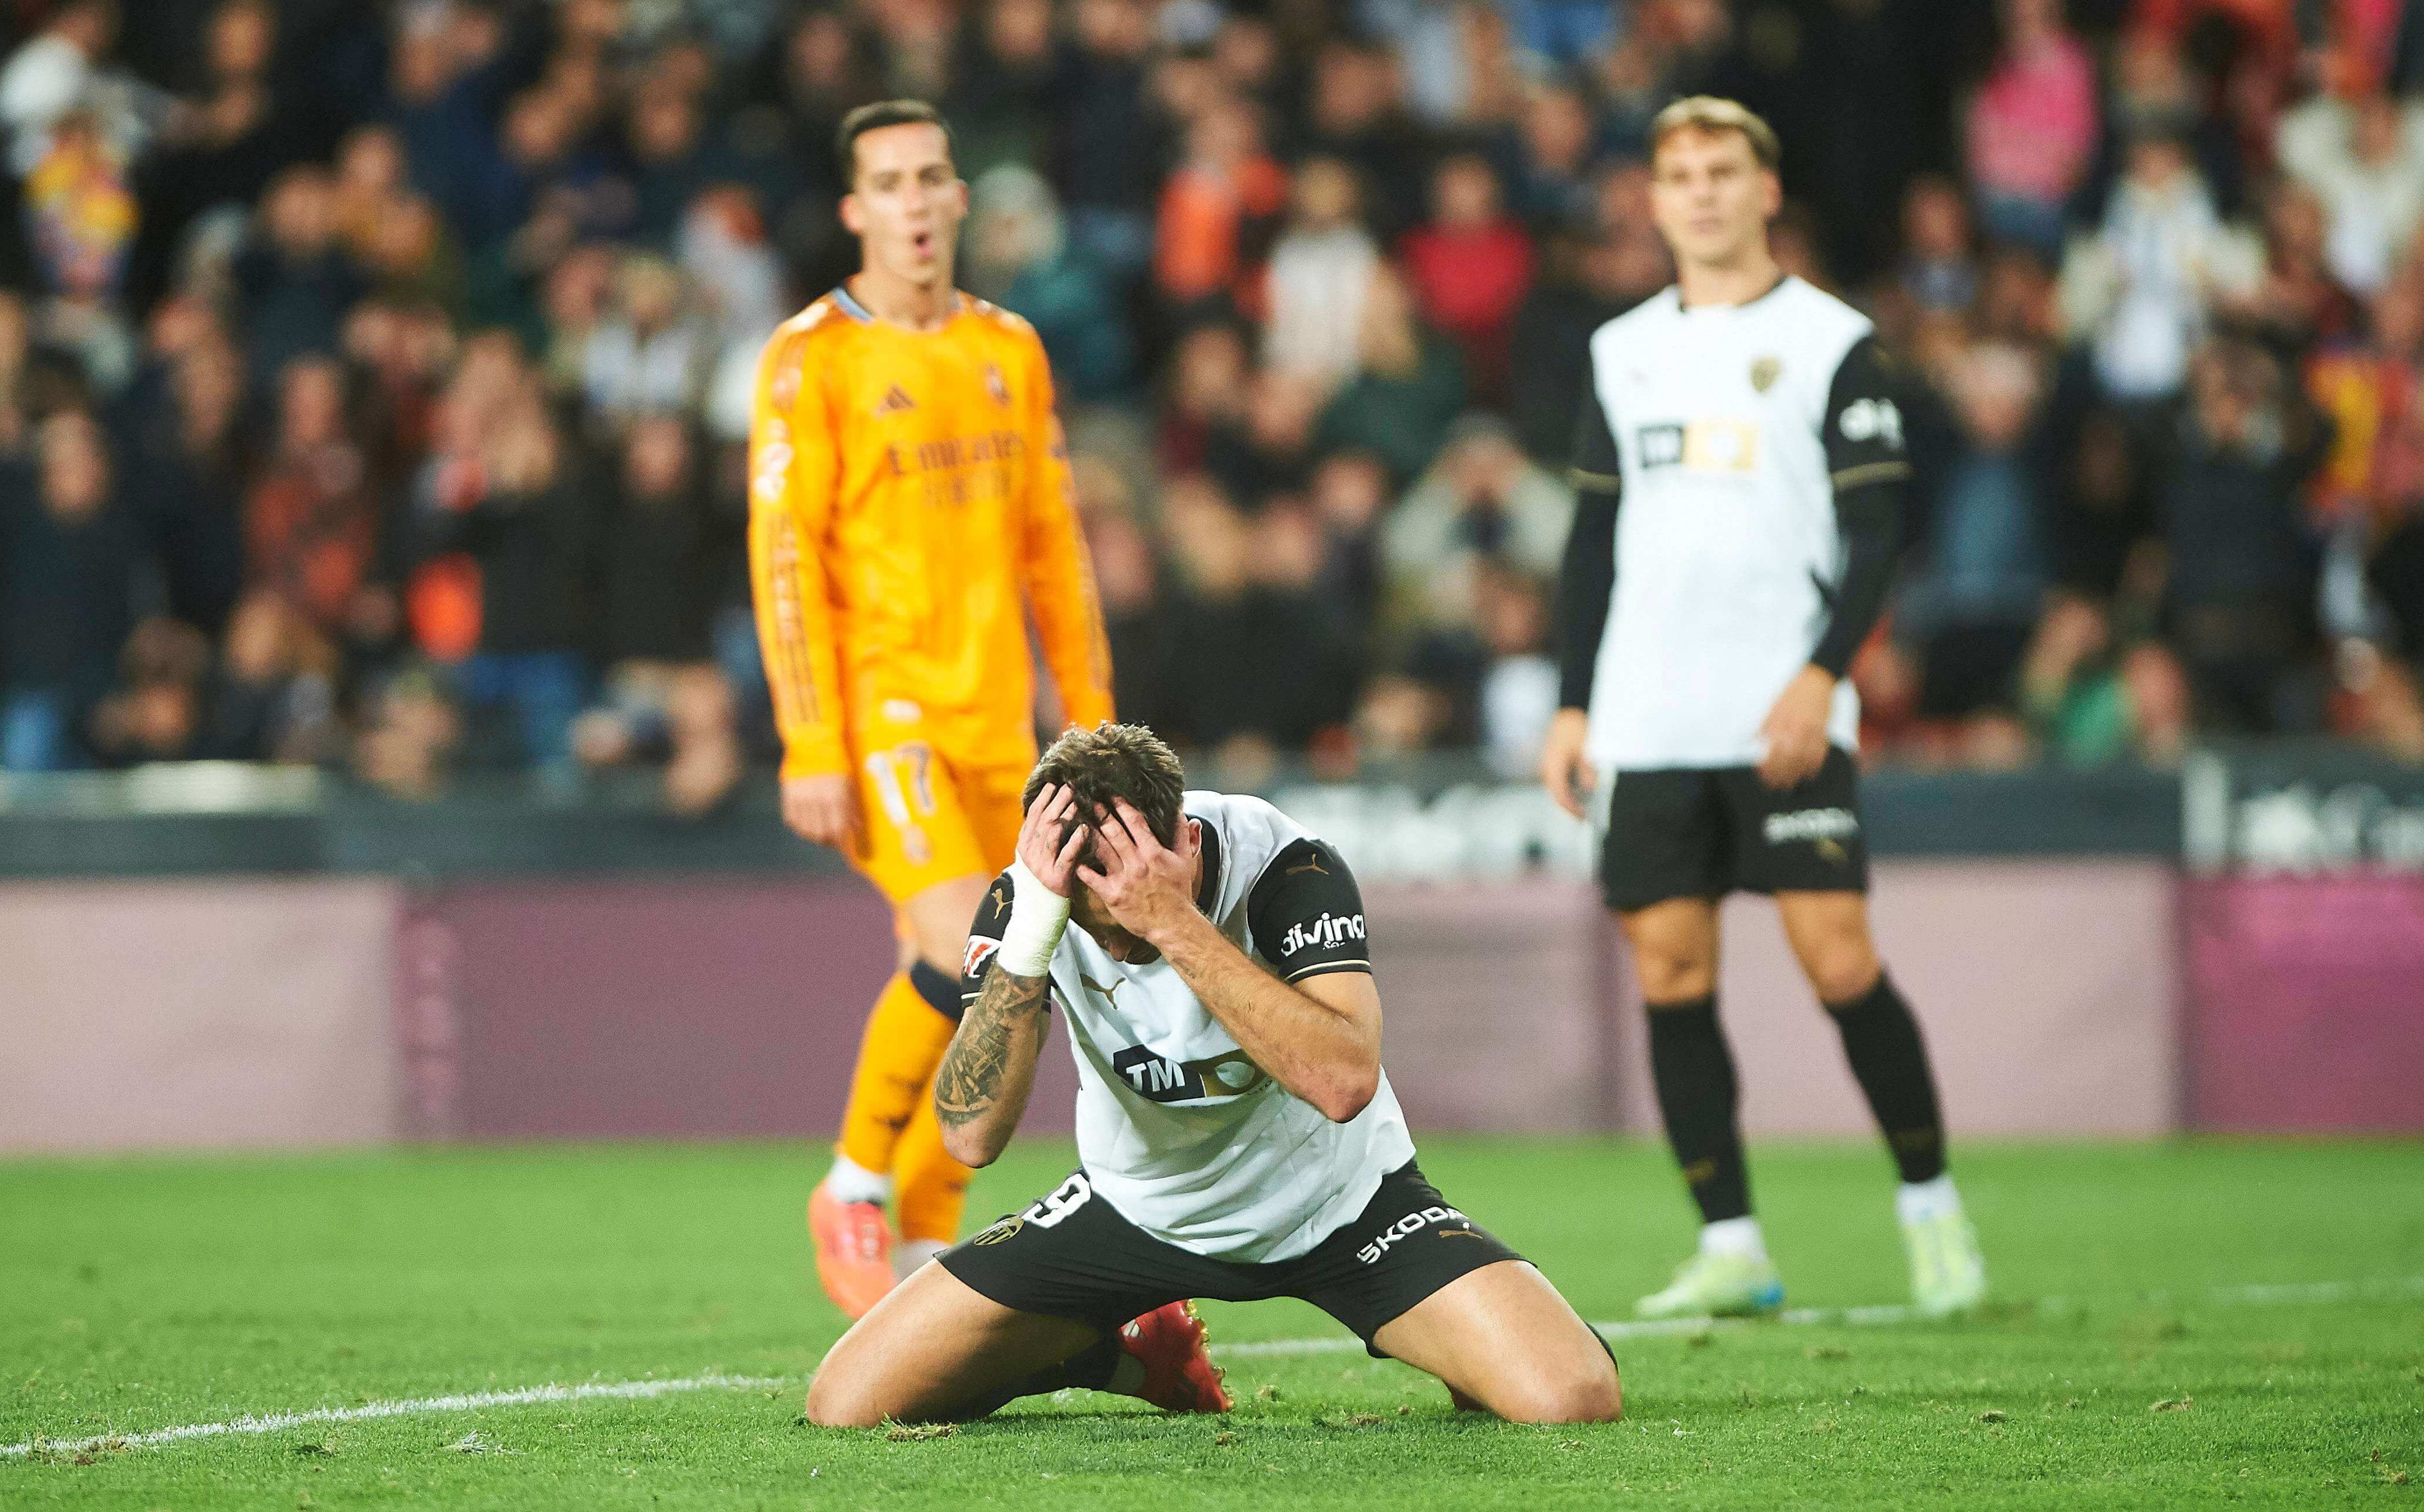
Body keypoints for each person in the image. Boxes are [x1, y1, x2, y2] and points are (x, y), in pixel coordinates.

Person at [804, 722, 1623, 1428]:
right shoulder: (1032, 898)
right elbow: (970, 1135)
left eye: (1131, 917)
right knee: (845, 1400)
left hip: (1338, 1205)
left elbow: (1343, 1083)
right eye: (1100, 925)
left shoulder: (1288, 869)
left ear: (1186, 841)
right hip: (1133, 1209)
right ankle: (1119, 1353)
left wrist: (1172, 923)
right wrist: (1031, 939)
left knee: (1569, 1396)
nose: (1120, 946)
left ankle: (1461, 1333)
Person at [1536, 98, 1989, 1321]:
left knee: (1835, 956)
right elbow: (1590, 540)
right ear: (1654, 195)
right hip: (1644, 713)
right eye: (1676, 173)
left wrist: (1821, 671)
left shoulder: (1832, 339)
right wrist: (1571, 702)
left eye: (1719, 169)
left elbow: (1878, 530)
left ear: (1764, 188)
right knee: (1671, 969)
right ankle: (1730, 1242)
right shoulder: (1620, 349)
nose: (1697, 192)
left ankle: (1931, 1206)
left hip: (1780, 709)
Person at [750, 101, 1115, 1319]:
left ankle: (919, 1237)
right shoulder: (811, 357)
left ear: (961, 198)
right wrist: (811, 739)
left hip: (1000, 728)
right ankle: (850, 1181)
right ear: (856, 211)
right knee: (970, 944)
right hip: (882, 713)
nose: (912, 202)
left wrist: (1096, 717)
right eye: (887, 184)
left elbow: (1051, 549)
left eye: (930, 179)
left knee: (999, 970)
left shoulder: (1008, 347)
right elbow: (785, 562)